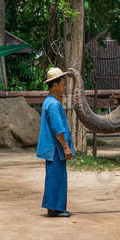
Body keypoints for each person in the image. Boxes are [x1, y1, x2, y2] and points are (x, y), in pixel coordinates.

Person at [36, 67, 75, 217]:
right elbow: (58, 129)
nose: (64, 88)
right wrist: (66, 146)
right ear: (55, 85)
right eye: (63, 84)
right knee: (56, 177)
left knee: (54, 176)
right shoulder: (53, 104)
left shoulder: (49, 102)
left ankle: (54, 207)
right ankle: (55, 208)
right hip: (55, 148)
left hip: (52, 148)